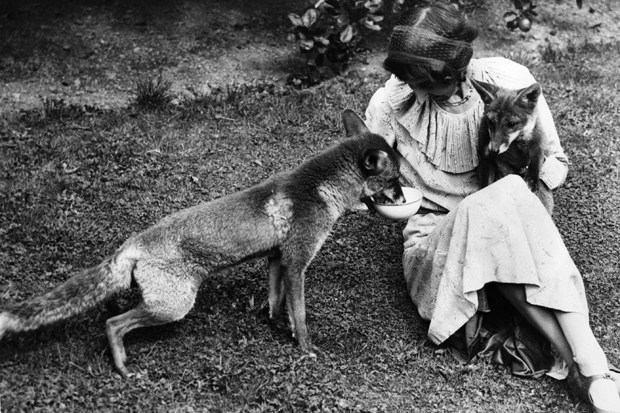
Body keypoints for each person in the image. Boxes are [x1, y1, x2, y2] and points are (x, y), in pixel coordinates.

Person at [363, 1, 620, 412]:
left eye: (428, 83)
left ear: (456, 70)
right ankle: (589, 365)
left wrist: (528, 187)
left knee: (505, 198)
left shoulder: (508, 83)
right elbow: (366, 176)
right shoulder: (391, 103)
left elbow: (555, 161)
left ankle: (586, 366)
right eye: (410, 81)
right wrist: (381, 200)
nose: (418, 92)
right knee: (489, 206)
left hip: (512, 222)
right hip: (438, 239)